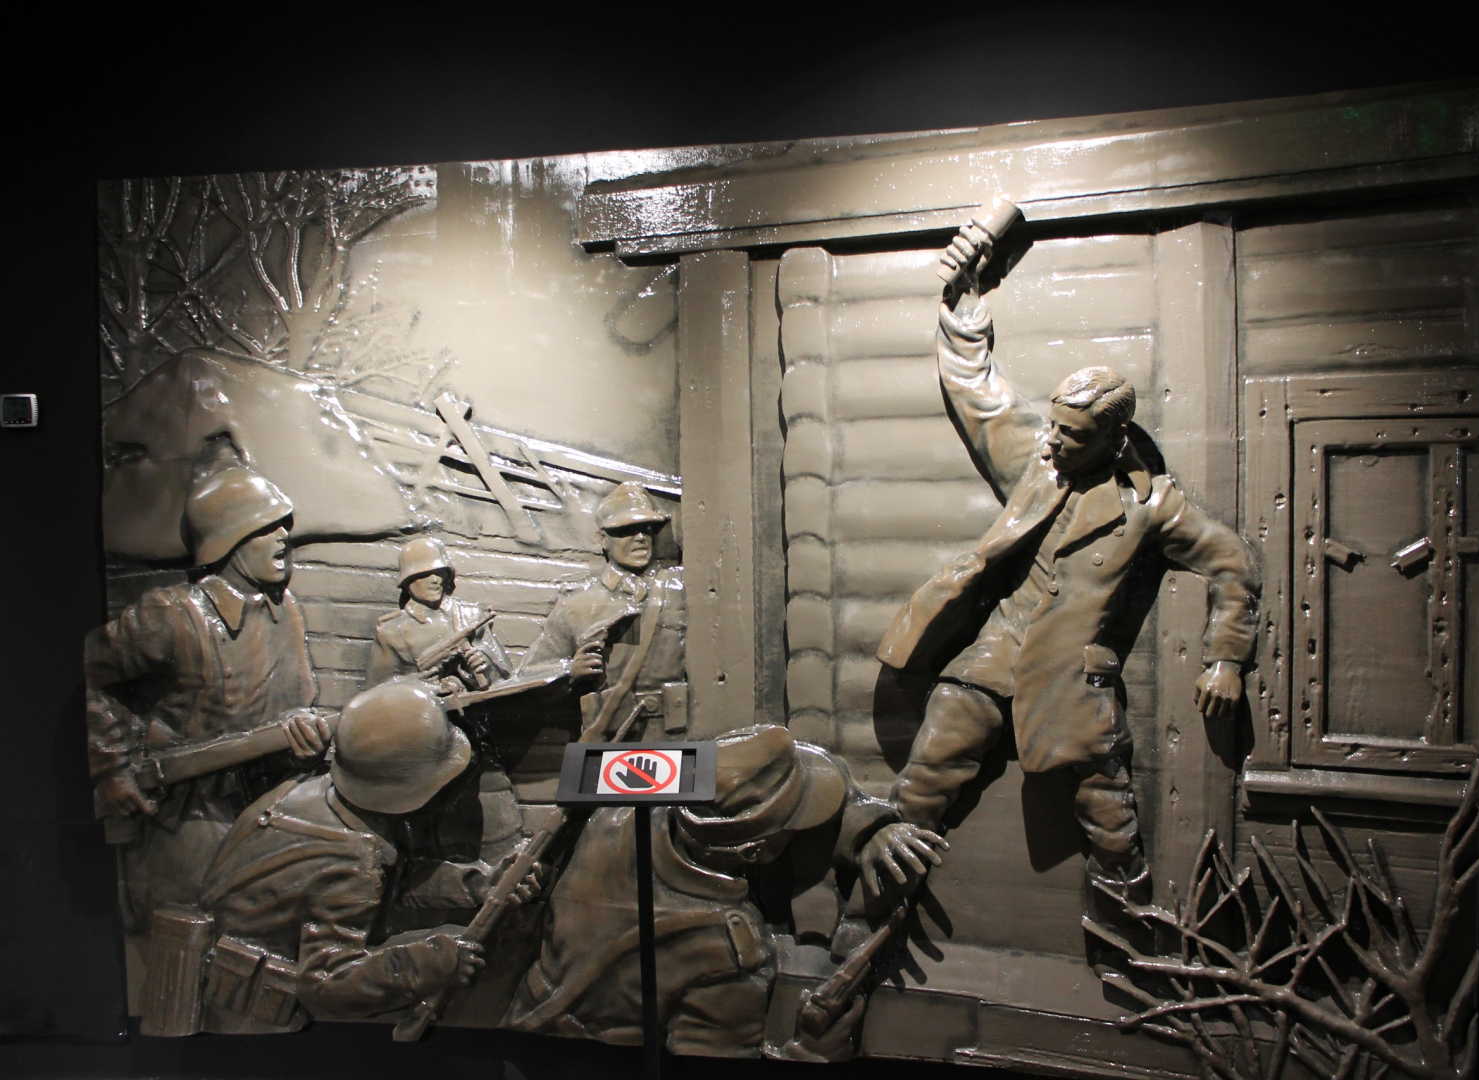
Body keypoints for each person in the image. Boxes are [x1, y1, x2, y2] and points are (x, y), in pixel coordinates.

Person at [877, 221, 1261, 908]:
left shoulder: (1153, 505)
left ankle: (1125, 919)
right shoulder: (1038, 461)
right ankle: (877, 899)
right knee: (929, 766)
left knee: (1107, 811)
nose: (1053, 441)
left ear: (1113, 438)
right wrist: (963, 304)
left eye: (1072, 434)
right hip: (996, 653)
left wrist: (1226, 659)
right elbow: (979, 394)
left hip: (1073, 678)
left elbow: (1232, 563)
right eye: (1053, 425)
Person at [502, 724, 946, 1060]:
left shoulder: (617, 816)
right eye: (792, 828)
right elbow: (714, 1064)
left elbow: (783, 767)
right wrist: (809, 1051)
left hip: (524, 1025)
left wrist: (871, 828)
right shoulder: (728, 951)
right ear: (756, 852)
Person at [197, 680, 542, 1033]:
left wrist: (478, 884)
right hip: (248, 1012)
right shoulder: (348, 860)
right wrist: (433, 961)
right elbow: (325, 987)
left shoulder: (309, 793)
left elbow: (389, 878)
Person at [85, 467, 331, 928]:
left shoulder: (284, 613)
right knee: (202, 924)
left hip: (265, 799)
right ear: (228, 541)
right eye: (265, 528)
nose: (283, 538)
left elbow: (291, 712)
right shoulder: (173, 614)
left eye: (283, 525)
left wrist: (302, 747)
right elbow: (94, 674)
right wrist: (111, 769)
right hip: (188, 810)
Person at [513, 482, 687, 741]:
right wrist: (570, 670)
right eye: (626, 530)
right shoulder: (577, 604)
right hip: (612, 738)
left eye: (647, 528)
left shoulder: (681, 589)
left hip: (677, 736)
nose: (640, 537)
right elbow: (530, 674)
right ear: (602, 539)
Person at [366, 536, 512, 691]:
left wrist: (484, 665)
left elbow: (505, 675)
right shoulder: (391, 631)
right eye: (426, 573)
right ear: (408, 581)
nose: (435, 580)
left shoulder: (471, 615)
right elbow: (379, 690)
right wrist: (425, 684)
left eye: (440, 572)